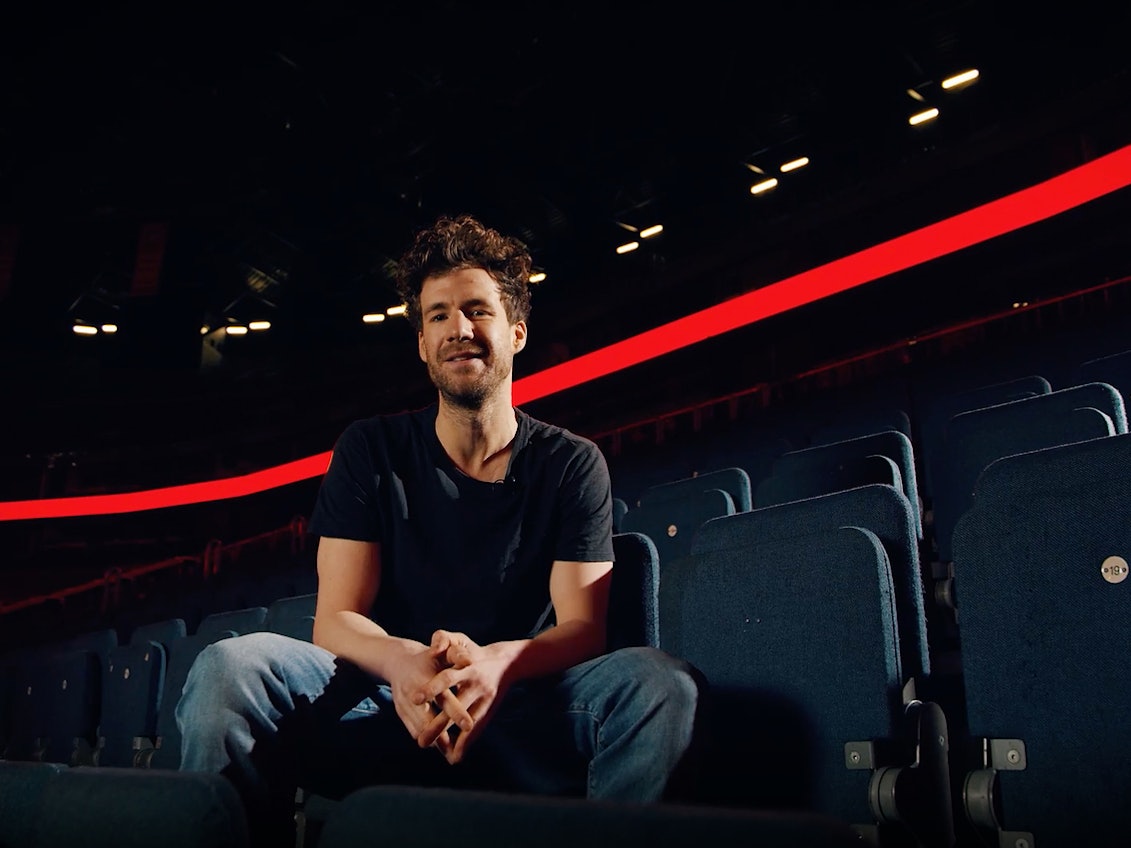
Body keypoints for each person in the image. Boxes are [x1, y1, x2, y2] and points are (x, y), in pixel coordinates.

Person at [176, 213, 704, 846]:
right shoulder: (370, 449)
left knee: (659, 686)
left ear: (517, 331)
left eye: (477, 311)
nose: (459, 330)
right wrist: (407, 664)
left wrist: (494, 665)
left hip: (519, 706)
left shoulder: (571, 462)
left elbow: (583, 628)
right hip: (385, 701)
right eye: (438, 315)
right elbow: (336, 619)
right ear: (423, 344)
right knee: (228, 667)